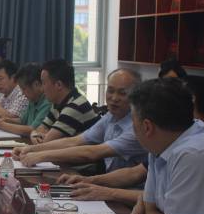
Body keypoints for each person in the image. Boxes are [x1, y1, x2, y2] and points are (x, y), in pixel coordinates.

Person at [59, 74, 204, 206]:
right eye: (110, 90)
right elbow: (137, 175)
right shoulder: (161, 144)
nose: (114, 98)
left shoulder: (192, 153)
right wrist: (90, 181)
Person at [127, 78, 204, 214]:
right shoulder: (160, 145)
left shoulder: (192, 154)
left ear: (147, 127)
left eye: (133, 122)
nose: (132, 128)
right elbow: (151, 210)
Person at [15, 68, 147, 172]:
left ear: (136, 96)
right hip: (107, 179)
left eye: (122, 93)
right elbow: (75, 141)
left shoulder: (138, 127)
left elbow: (92, 152)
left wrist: (40, 155)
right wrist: (31, 149)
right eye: (110, 91)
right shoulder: (110, 116)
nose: (114, 98)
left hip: (126, 189)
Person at [28, 59, 99, 144]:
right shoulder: (57, 104)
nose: (42, 89)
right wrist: (34, 134)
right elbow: (40, 130)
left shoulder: (75, 106)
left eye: (43, 83)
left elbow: (46, 143)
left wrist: (36, 135)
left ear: (59, 85)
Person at [0, 63, 51, 136]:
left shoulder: (47, 102)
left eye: (24, 89)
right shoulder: (33, 99)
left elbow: (32, 129)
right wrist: (5, 119)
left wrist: (1, 125)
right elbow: (22, 121)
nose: (23, 93)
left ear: (36, 84)